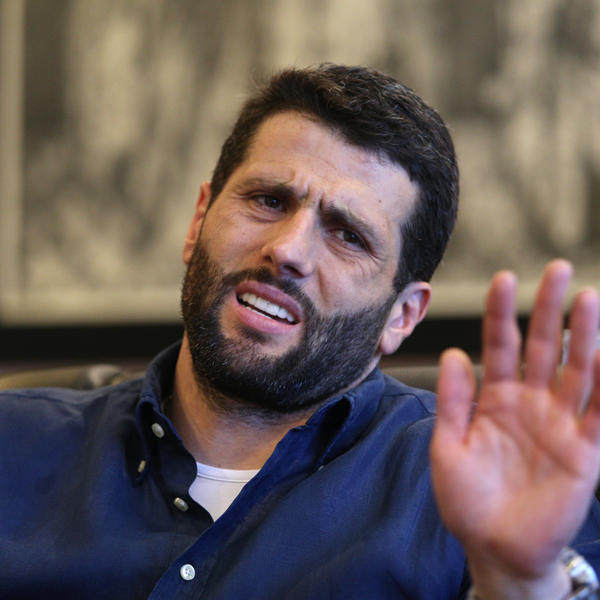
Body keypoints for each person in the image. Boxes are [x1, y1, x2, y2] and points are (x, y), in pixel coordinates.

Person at [1, 63, 600, 599]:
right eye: (268, 200)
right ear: (198, 221)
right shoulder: (14, 442)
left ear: (402, 315)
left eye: (348, 235)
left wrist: (521, 585)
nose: (287, 250)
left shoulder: (492, 487)